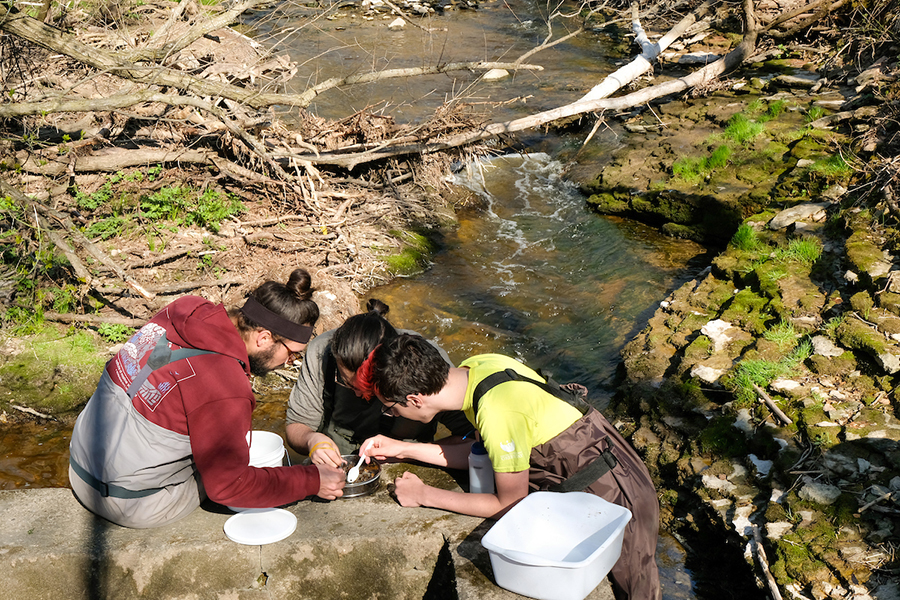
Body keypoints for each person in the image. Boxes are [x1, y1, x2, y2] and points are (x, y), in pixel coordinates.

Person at [356, 334, 661, 600]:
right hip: (604, 467)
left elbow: (509, 504)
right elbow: (485, 450)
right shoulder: (476, 368)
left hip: (615, 494)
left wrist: (424, 495)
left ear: (414, 399)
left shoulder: (497, 409)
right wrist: (405, 449)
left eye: (390, 407)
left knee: (636, 590)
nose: (391, 413)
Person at [68, 268, 346, 529]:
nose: (290, 362)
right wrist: (311, 480)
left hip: (81, 468)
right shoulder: (224, 385)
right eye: (292, 353)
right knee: (241, 476)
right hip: (128, 502)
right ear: (263, 338)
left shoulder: (186, 310)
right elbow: (230, 487)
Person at [285, 298, 472, 467]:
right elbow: (297, 424)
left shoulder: (423, 364)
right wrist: (313, 440)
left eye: (369, 388)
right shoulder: (322, 352)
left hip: (408, 465)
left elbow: (472, 439)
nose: (359, 395)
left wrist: (406, 452)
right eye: (347, 384)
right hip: (339, 461)